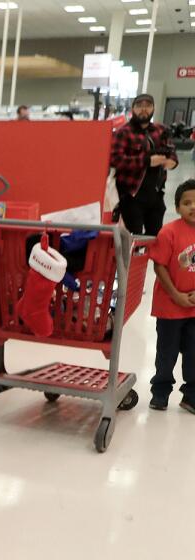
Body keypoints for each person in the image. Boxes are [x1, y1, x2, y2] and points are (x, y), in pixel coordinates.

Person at [146, 179, 195, 412]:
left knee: (194, 354)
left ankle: (191, 396)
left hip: (194, 307)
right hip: (169, 306)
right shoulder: (168, 232)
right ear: (177, 207)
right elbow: (159, 266)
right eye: (187, 203)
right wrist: (176, 295)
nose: (193, 207)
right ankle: (160, 392)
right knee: (166, 352)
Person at [110, 93, 178, 237]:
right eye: (139, 106)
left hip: (156, 195)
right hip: (131, 195)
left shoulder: (161, 130)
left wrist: (172, 162)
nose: (143, 109)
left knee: (155, 238)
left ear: (153, 108)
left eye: (148, 106)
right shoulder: (123, 132)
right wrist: (146, 161)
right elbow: (115, 160)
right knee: (131, 238)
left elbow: (172, 152)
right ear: (133, 108)